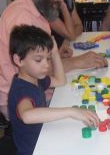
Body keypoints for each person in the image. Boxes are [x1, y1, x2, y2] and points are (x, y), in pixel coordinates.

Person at [0, 0, 108, 118]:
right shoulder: (21, 17)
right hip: (24, 102)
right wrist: (77, 62)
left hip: (38, 89)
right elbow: (32, 68)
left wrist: (53, 55)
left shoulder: (36, 10)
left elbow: (37, 59)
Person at [8, 25, 100, 155]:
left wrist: (55, 53)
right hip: (34, 150)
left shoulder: (35, 78)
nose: (46, 65)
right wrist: (71, 111)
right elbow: (27, 116)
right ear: (18, 60)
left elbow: (60, 81)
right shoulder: (21, 89)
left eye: (48, 58)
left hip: (45, 137)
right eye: (38, 60)